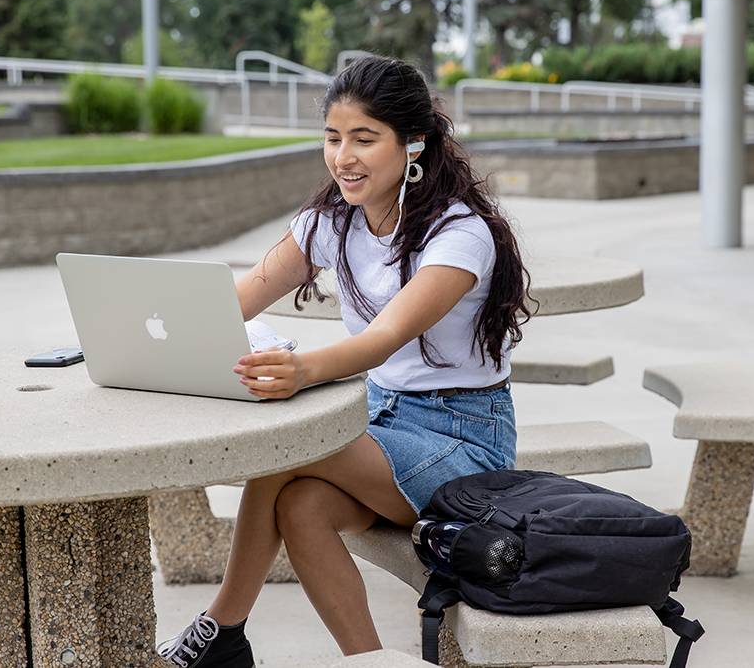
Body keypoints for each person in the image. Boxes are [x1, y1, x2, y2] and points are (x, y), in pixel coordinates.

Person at [157, 54, 532, 667]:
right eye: (333, 138)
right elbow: (237, 298)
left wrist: (302, 370)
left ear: (414, 144)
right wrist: (152, 331)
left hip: (464, 440)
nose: (343, 157)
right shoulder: (331, 222)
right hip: (381, 424)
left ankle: (221, 632)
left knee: (287, 445)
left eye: (364, 139)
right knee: (300, 506)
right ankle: (368, 660)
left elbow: (383, 339)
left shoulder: (459, 234)